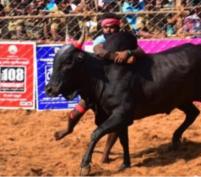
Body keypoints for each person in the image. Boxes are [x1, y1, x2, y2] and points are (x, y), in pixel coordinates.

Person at [54, 12, 144, 163]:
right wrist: (118, 57)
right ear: (102, 27)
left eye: (112, 27)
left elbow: (140, 52)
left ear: (118, 26)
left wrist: (128, 53)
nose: (109, 30)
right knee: (75, 114)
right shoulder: (100, 39)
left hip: (113, 87)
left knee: (116, 120)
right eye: (106, 27)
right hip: (94, 86)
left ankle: (105, 154)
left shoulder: (124, 39)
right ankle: (68, 129)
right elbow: (98, 51)